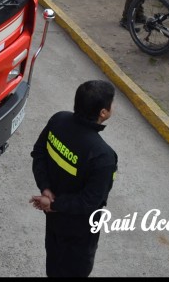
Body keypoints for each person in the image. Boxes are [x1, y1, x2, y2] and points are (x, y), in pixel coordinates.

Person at [30, 80, 118, 278]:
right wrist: (55, 204)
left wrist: (46, 189)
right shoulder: (103, 156)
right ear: (103, 113)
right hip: (79, 231)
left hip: (54, 220)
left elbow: (39, 154)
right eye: (112, 103)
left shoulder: (58, 120)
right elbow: (90, 201)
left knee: (53, 263)